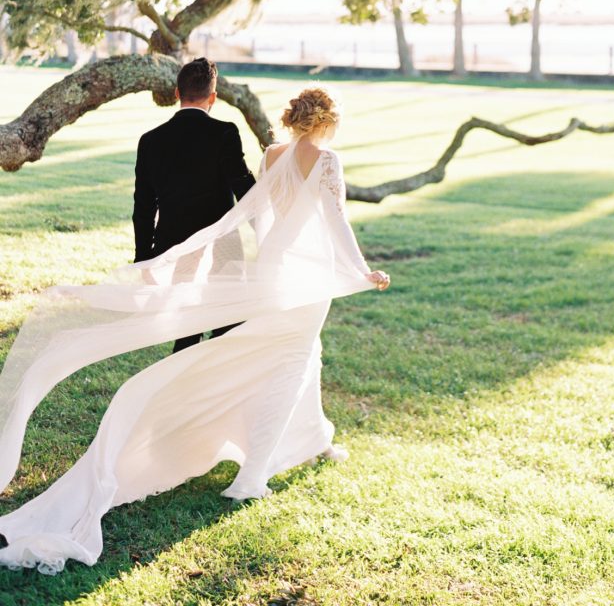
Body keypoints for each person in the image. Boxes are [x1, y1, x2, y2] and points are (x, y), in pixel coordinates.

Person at [0, 86, 389, 574]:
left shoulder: (273, 154)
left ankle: (314, 437)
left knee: (298, 354)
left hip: (273, 270)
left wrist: (269, 266)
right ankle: (250, 477)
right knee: (291, 359)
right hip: (308, 277)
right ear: (327, 119)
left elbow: (264, 220)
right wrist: (362, 270)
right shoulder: (327, 159)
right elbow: (338, 221)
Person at [133, 56, 255, 353]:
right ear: (213, 97)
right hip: (221, 243)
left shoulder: (150, 140)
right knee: (228, 317)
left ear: (177, 93)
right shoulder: (225, 132)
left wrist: (144, 257)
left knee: (187, 324)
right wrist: (270, 225)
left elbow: (144, 205)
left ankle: (186, 373)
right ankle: (214, 376)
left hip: (175, 245)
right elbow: (244, 188)